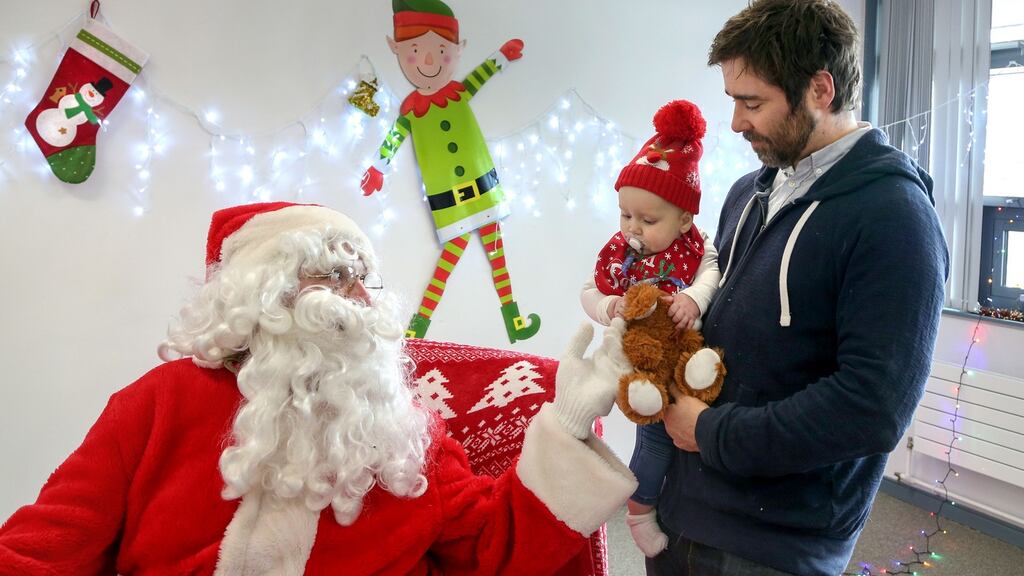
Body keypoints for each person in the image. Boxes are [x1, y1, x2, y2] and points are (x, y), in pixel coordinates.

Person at [0, 201, 637, 574]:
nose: (359, 298)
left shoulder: (404, 426)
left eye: (364, 278)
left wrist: (568, 427)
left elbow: (496, 550)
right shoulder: (160, 402)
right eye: (333, 275)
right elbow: (41, 550)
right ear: (260, 294)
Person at [651, 1, 950, 575]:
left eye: (752, 102)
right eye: (733, 101)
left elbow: (872, 406)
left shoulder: (894, 216)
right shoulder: (748, 191)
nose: (736, 122)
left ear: (819, 88)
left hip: (777, 543)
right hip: (686, 506)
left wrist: (711, 432)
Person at [580, 100, 721, 558]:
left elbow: (712, 272)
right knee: (656, 441)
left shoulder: (696, 248)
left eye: (647, 220)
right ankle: (639, 510)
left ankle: (660, 504)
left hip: (680, 350)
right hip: (635, 357)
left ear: (685, 219)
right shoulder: (622, 254)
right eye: (626, 216)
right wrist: (609, 306)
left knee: (682, 433)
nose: (632, 229)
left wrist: (693, 298)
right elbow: (589, 291)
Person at [361, 0, 540, 344]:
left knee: (495, 254)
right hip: (450, 198)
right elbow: (394, 137)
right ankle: (423, 325)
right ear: (396, 50)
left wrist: (500, 58)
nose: (429, 61)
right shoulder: (410, 111)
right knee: (449, 263)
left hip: (482, 188)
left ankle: (508, 320)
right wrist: (379, 166)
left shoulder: (457, 93)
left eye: (440, 51)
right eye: (416, 50)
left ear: (455, 51)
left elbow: (478, 78)